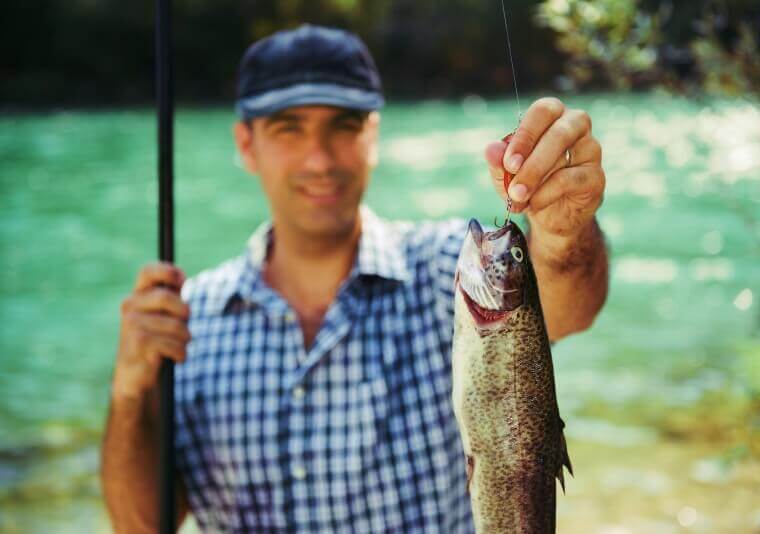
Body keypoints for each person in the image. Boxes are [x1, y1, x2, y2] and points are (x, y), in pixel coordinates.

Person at [101, 24, 608, 533]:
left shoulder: (443, 267)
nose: (319, 159)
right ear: (246, 144)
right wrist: (130, 391)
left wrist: (562, 237)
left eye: (343, 125)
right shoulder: (189, 319)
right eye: (288, 128)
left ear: (373, 134)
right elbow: (143, 526)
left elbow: (570, 309)